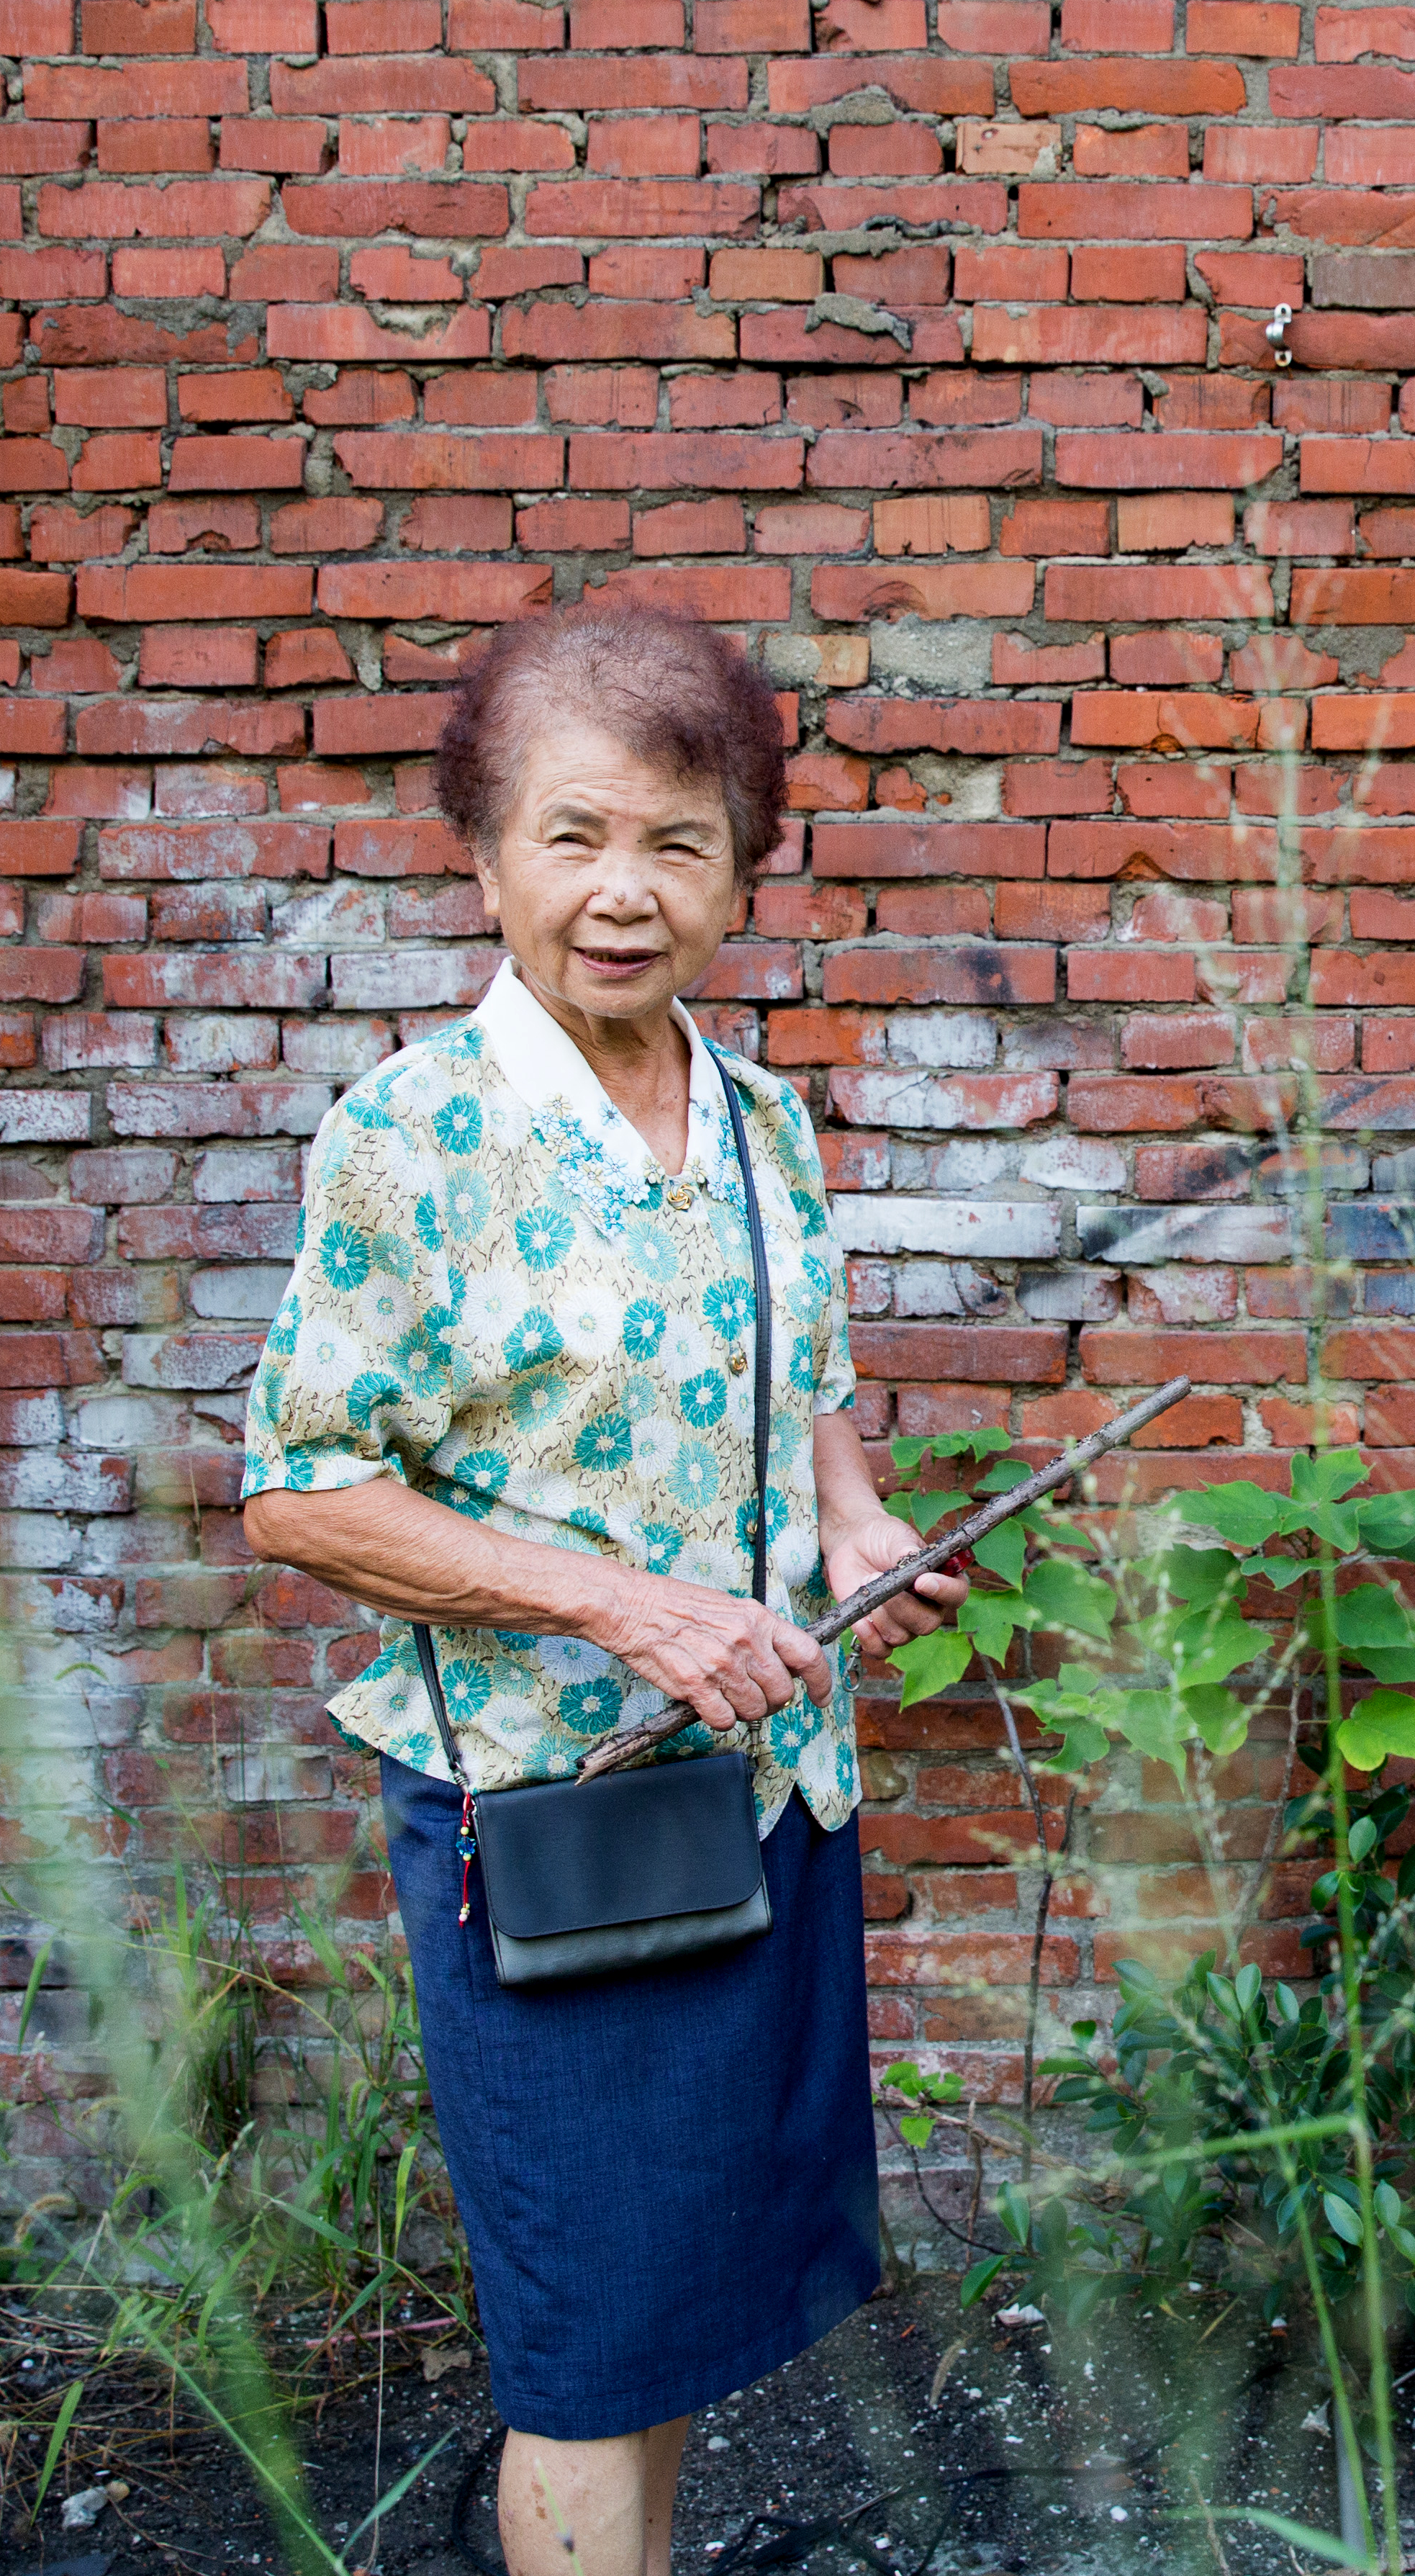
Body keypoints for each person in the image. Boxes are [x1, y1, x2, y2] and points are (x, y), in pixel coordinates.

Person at [239, 599, 965, 2576]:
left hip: (761, 1807)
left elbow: (809, 1405)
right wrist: (628, 1609)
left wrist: (862, 1536)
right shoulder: (412, 1137)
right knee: (581, 2350)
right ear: (484, 852)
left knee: (668, 2335)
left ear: (743, 871)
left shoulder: (762, 1125)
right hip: (552, 1842)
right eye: (576, 837)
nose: (625, 894)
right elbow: (302, 1496)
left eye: (679, 842)